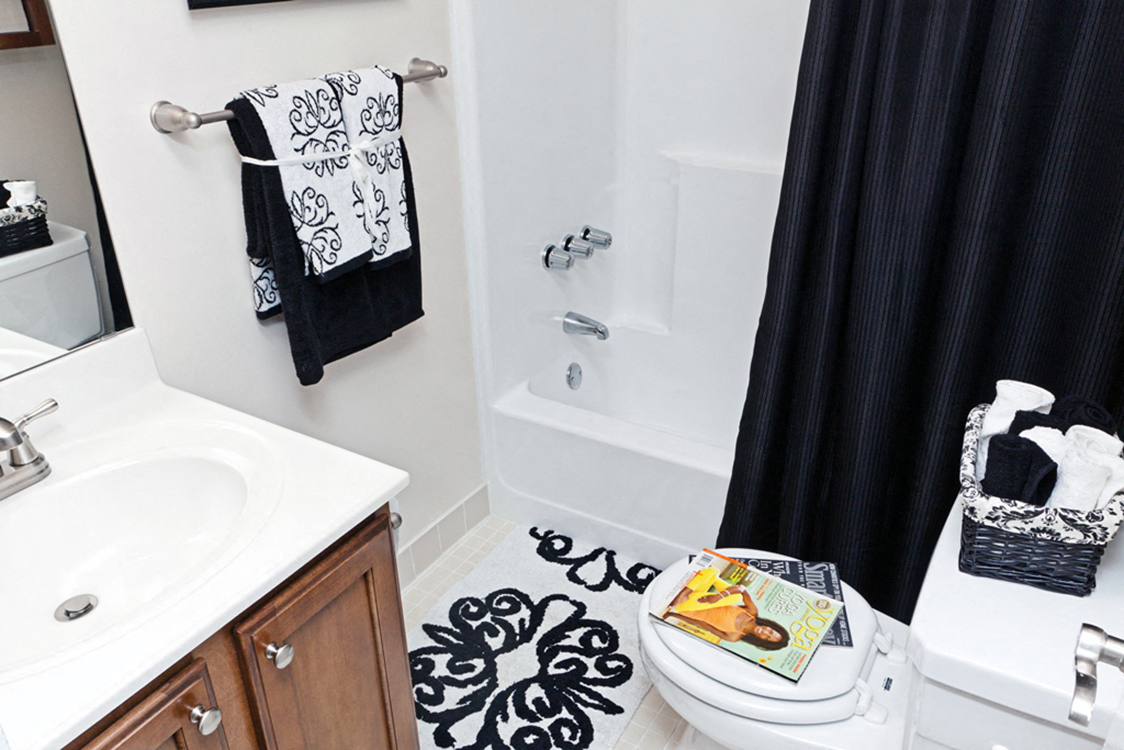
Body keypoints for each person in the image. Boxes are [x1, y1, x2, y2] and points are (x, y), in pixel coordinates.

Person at [669, 568, 790, 650]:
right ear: (772, 627)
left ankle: (688, 591)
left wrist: (673, 615)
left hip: (687, 607)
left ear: (762, 641)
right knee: (713, 571)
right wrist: (717, 597)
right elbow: (742, 589)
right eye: (771, 631)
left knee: (736, 597)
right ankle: (686, 592)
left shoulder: (733, 637)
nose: (765, 632)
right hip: (701, 598)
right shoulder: (751, 612)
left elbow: (702, 624)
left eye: (767, 637)